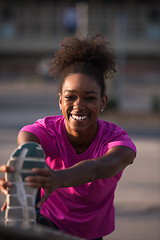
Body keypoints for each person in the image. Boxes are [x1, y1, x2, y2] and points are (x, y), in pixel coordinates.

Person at [0, 34, 136, 240]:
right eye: (70, 97)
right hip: (47, 222)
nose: (78, 106)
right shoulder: (48, 129)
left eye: (89, 98)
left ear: (103, 101)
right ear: (60, 102)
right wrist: (24, 173)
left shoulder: (117, 140)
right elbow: (28, 138)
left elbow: (100, 167)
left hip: (90, 234)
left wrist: (57, 179)